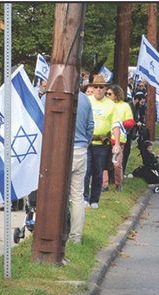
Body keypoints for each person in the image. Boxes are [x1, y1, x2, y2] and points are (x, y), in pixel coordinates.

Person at [83, 74, 118, 209]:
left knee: (98, 172)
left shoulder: (111, 105)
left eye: (101, 87)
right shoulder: (87, 101)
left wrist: (116, 144)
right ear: (92, 87)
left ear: (105, 89)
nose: (98, 89)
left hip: (102, 144)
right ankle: (85, 197)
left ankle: (94, 199)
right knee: (85, 171)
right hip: (87, 142)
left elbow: (115, 125)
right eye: (96, 87)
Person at [69, 91, 94, 244]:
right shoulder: (85, 99)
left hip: (57, 151)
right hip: (80, 149)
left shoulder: (48, 96)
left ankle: (57, 233)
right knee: (77, 196)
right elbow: (90, 126)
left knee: (56, 195)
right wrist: (85, 143)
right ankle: (75, 237)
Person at [102, 85, 135, 192]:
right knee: (103, 163)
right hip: (105, 138)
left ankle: (118, 184)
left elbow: (131, 122)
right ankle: (104, 184)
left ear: (116, 95)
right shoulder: (105, 105)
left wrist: (119, 123)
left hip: (119, 139)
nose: (107, 95)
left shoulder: (125, 106)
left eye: (110, 94)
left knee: (116, 163)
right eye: (106, 93)